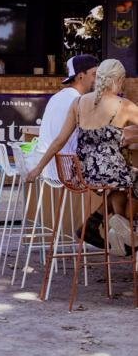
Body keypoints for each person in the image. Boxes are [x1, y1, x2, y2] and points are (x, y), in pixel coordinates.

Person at [27, 59, 138, 256]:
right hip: (112, 172)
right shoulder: (124, 105)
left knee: (122, 187)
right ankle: (127, 231)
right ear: (119, 80)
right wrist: (128, 133)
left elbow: (59, 141)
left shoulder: (78, 102)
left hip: (84, 173)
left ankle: (101, 227)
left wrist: (37, 168)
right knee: (132, 181)